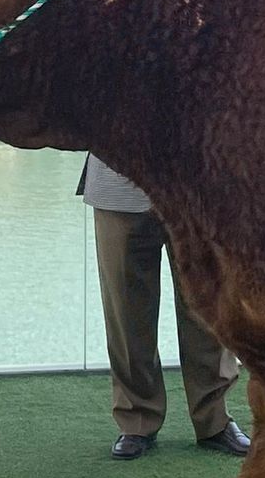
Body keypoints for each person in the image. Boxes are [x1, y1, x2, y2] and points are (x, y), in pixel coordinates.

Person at [81, 155, 250, 460]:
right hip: (118, 183)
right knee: (125, 313)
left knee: (209, 308)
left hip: (203, 186)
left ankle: (214, 420)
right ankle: (136, 421)